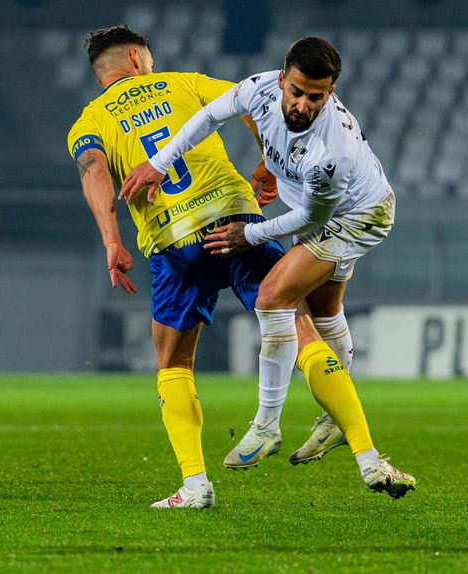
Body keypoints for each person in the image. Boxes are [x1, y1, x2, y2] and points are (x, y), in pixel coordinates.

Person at [122, 36, 417, 498]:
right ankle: (334, 421)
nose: (302, 104)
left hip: (357, 216)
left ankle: (266, 423)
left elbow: (312, 220)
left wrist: (250, 234)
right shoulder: (258, 89)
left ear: (331, 92)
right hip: (317, 204)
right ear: (282, 79)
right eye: (296, 91)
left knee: (273, 297)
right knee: (323, 311)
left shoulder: (332, 151)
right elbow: (208, 116)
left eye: (315, 97)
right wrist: (161, 163)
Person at [66, 24, 283, 508]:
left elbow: (95, 172)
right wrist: (268, 162)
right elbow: (254, 101)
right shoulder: (184, 82)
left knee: (173, 364)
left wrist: (111, 241)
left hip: (171, 242)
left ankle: (194, 485)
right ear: (138, 58)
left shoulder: (87, 123)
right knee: (298, 319)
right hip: (235, 217)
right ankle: (349, 436)